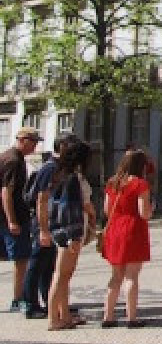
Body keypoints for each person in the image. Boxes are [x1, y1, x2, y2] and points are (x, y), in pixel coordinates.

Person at [23, 132, 76, 320]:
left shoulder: (60, 167)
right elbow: (42, 199)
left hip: (53, 224)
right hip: (43, 224)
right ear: (62, 147)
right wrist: (43, 230)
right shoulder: (50, 168)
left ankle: (50, 301)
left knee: (49, 265)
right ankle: (30, 305)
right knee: (36, 264)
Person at [101, 149, 153, 328]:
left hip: (115, 230)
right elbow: (143, 213)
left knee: (116, 276)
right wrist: (151, 209)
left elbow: (107, 210)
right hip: (133, 230)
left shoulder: (112, 182)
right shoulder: (140, 184)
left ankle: (108, 316)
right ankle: (131, 318)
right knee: (131, 276)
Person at [46, 139, 93, 332]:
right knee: (61, 274)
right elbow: (69, 209)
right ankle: (53, 318)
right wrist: (74, 235)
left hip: (61, 230)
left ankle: (64, 315)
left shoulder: (60, 174)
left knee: (64, 275)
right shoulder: (71, 178)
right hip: (68, 232)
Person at [1, 127, 40, 314]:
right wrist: (12, 220)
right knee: (21, 258)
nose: (35, 146)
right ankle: (18, 299)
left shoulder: (8, 156)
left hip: (6, 216)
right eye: (33, 142)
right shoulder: (14, 160)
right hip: (11, 216)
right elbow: (6, 192)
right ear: (23, 140)